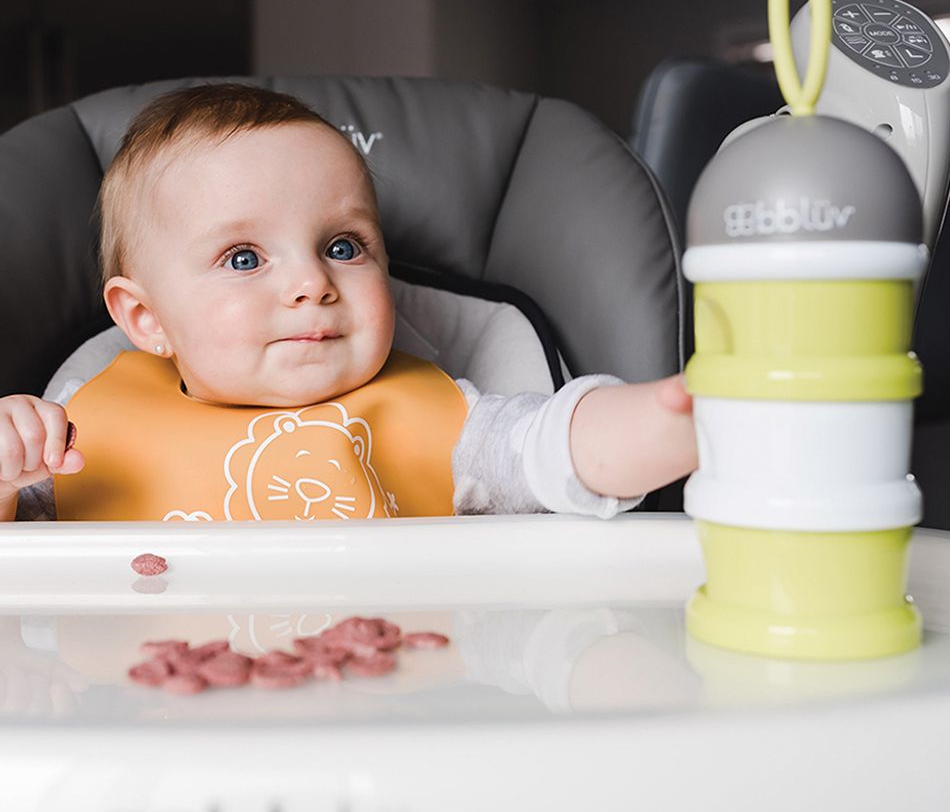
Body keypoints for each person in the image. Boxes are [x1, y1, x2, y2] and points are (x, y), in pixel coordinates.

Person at [0, 83, 696, 523]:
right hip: (148, 732)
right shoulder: (81, 431)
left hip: (384, 722)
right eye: (244, 259)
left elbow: (563, 448)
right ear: (145, 320)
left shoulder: (439, 418)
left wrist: (684, 416)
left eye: (342, 246)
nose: (313, 283)